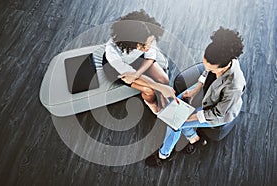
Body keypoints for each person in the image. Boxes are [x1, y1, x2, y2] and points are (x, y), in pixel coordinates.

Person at [126, 27, 246, 165]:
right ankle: (195, 139)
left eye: (211, 68)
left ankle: (163, 155)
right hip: (207, 94)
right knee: (174, 107)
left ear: (222, 68)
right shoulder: (222, 59)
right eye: (205, 64)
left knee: (174, 123)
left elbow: (217, 113)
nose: (207, 69)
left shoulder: (234, 85)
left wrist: (188, 117)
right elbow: (207, 73)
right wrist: (195, 90)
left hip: (217, 113)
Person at [103, 9, 169, 114]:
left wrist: (138, 73)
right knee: (149, 90)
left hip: (137, 61)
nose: (149, 46)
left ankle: (162, 100)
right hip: (119, 71)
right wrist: (159, 87)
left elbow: (150, 58)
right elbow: (129, 75)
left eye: (151, 42)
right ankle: (155, 108)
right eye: (144, 44)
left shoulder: (149, 35)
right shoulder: (112, 51)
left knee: (164, 80)